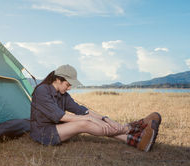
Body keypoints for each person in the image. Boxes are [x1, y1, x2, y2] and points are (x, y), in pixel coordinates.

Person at [30, 64, 162, 152]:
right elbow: (61, 116)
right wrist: (89, 119)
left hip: (58, 129)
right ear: (58, 79)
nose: (70, 87)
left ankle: (134, 139)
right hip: (44, 133)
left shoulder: (63, 94)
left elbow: (82, 110)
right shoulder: (42, 91)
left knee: (87, 119)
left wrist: (106, 119)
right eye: (68, 84)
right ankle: (129, 129)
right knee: (84, 123)